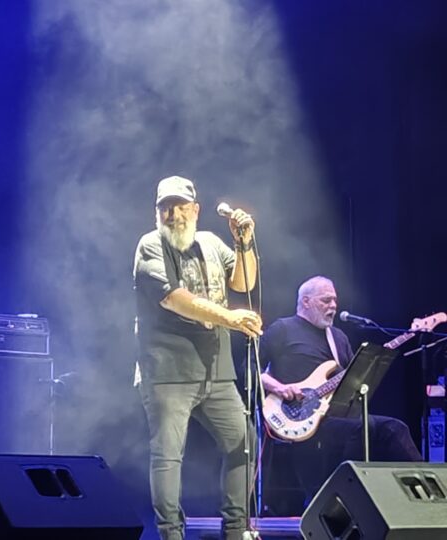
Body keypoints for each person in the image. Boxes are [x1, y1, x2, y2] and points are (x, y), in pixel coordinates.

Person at [133, 175, 262, 540]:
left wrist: (244, 244)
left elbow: (243, 283)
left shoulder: (210, 243)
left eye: (180, 207)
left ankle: (235, 530)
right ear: (156, 212)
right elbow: (175, 298)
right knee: (168, 456)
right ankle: (171, 534)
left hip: (216, 372)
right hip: (168, 371)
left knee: (244, 443)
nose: (173, 215)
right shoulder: (151, 245)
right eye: (165, 208)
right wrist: (230, 318)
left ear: (196, 210)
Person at [260, 275, 422, 498]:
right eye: (326, 300)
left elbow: (350, 381)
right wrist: (279, 388)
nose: (334, 306)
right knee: (361, 428)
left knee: (395, 428)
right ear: (306, 301)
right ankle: (341, 497)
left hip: (335, 414)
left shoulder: (338, 337)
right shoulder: (283, 328)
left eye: (335, 300)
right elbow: (250, 367)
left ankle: (426, 494)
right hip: (295, 415)